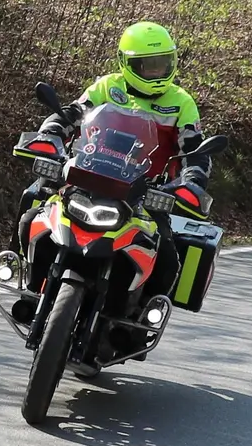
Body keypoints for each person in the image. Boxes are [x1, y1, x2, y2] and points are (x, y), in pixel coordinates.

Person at [17, 21, 210, 308]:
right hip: (89, 175)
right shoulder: (107, 86)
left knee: (168, 258)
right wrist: (50, 134)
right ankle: (31, 286)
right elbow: (72, 114)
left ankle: (138, 318)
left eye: (162, 63)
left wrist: (192, 179)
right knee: (32, 214)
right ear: (126, 63)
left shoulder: (182, 103)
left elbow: (194, 150)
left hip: (145, 193)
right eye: (148, 65)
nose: (157, 72)